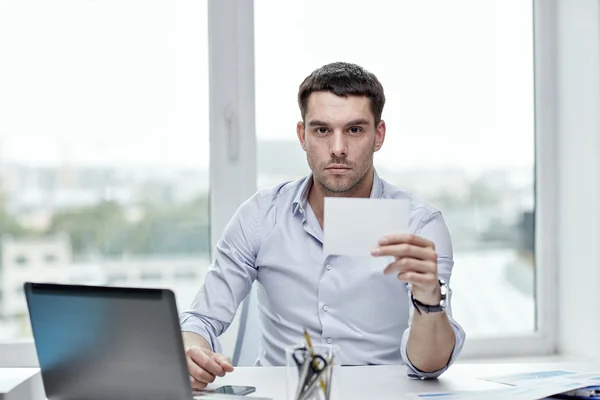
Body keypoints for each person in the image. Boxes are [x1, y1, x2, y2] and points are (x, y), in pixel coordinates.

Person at [179, 61, 465, 390]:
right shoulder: (261, 215)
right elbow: (200, 319)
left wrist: (429, 299)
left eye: (355, 130)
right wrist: (191, 351)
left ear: (378, 135)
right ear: (303, 135)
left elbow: (429, 366)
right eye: (322, 130)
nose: (338, 148)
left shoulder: (420, 226)